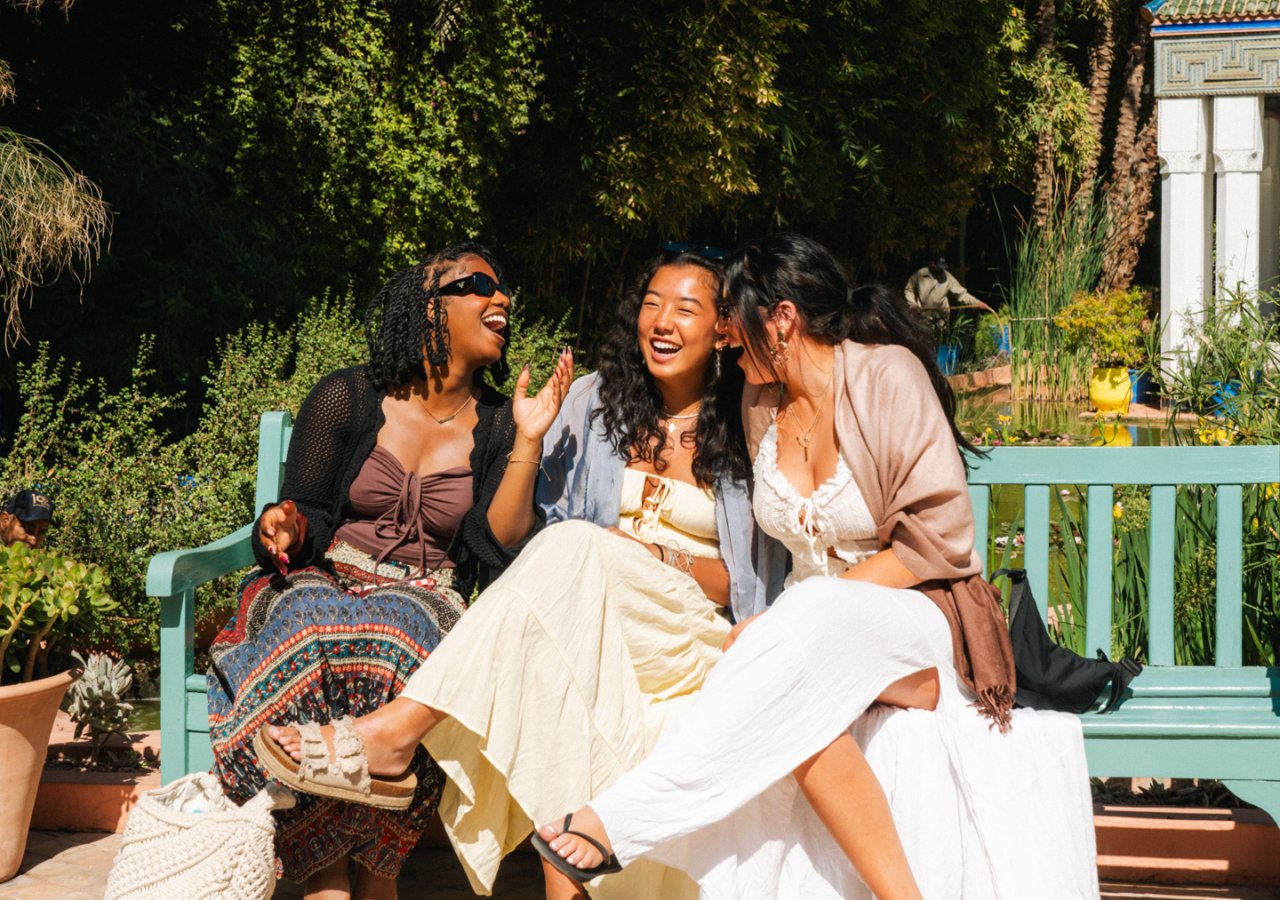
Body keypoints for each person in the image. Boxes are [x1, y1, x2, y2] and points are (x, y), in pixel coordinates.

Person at [535, 234, 1097, 899]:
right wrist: (777, 620)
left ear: (781, 320)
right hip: (810, 629)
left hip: (914, 607)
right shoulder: (758, 401)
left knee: (803, 630)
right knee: (797, 707)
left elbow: (939, 543)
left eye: (730, 326)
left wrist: (786, 621)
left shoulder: (886, 376)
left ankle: (614, 822)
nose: (721, 341)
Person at [257, 247, 775, 900]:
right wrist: (531, 440)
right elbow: (525, 543)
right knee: (559, 637)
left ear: (724, 329)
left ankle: (393, 734)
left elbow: (747, 579)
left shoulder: (751, 421)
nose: (663, 321)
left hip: (688, 632)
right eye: (651, 304)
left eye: (686, 308)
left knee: (579, 549)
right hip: (594, 623)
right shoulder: (592, 403)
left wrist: (650, 556)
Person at [207, 244, 574, 900]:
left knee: (409, 636)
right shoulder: (347, 395)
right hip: (330, 577)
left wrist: (528, 440)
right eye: (479, 285)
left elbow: (498, 545)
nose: (503, 300)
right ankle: (326, 870)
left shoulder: (495, 425)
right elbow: (308, 513)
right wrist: (283, 525)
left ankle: (374, 871)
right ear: (428, 306)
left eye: (505, 289)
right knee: (303, 617)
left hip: (428, 593)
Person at [904, 255, 994, 315]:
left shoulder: (948, 277)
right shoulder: (920, 274)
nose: (942, 270)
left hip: (941, 316)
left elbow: (962, 294)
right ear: (932, 265)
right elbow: (909, 289)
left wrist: (977, 302)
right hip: (922, 314)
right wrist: (913, 304)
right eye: (939, 267)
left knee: (941, 340)